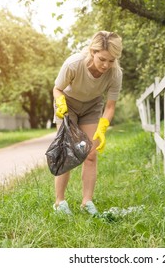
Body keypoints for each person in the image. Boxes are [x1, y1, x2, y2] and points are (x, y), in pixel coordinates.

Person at [52, 31, 123, 215]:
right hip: (67, 105)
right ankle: (59, 202)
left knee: (91, 154)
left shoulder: (115, 74)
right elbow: (57, 89)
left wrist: (103, 126)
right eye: (102, 59)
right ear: (92, 52)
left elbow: (110, 106)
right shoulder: (74, 64)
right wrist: (60, 103)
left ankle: (87, 202)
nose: (106, 65)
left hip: (92, 106)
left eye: (111, 60)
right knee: (66, 151)